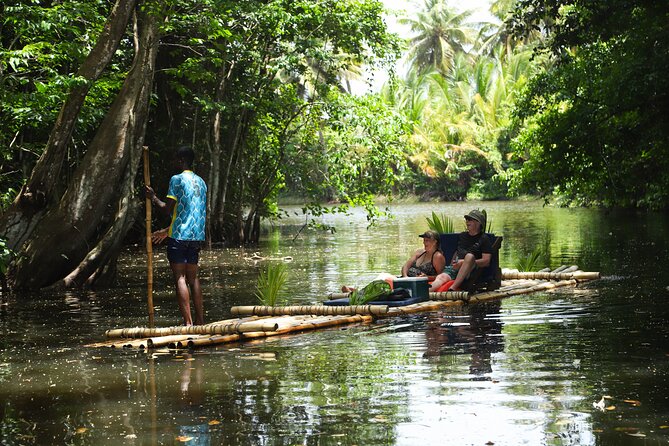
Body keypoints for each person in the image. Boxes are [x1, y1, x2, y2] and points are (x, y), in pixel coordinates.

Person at [145, 146, 207, 326]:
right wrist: (166, 231)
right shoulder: (201, 182)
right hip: (196, 237)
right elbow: (189, 213)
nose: (173, 162)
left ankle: (188, 324)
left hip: (179, 237)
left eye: (175, 159)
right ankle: (200, 322)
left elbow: (167, 209)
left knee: (180, 277)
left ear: (181, 160)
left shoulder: (177, 180)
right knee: (193, 278)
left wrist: (153, 197)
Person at [342, 230, 446, 292]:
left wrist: (427, 277)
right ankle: (361, 291)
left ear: (435, 242)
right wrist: (405, 277)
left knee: (385, 280)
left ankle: (359, 292)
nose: (424, 242)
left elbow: (440, 276)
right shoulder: (419, 252)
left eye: (427, 240)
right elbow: (405, 266)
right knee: (383, 275)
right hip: (406, 280)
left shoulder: (437, 256)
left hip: (417, 284)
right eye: (424, 240)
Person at [430, 210, 492, 292]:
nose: (467, 222)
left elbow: (486, 261)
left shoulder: (484, 239)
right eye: (466, 219)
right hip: (456, 267)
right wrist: (453, 263)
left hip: (471, 270)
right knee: (441, 277)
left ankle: (453, 288)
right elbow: (457, 252)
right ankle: (425, 293)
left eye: (470, 219)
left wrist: (464, 262)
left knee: (469, 256)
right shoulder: (463, 236)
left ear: (478, 222)